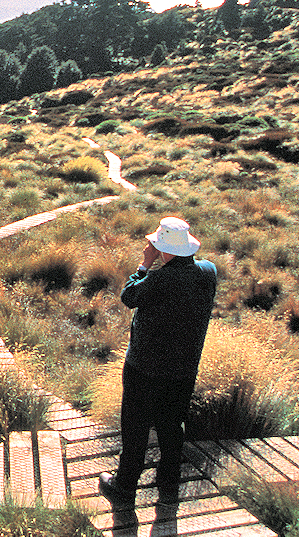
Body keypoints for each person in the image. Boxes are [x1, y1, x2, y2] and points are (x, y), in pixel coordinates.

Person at [99, 216, 217, 509]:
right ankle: (168, 481)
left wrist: (145, 263)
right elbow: (190, 271)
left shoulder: (158, 279)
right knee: (171, 425)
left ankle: (124, 486)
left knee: (136, 427)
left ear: (164, 249)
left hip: (145, 368)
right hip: (184, 368)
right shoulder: (208, 272)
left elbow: (129, 296)